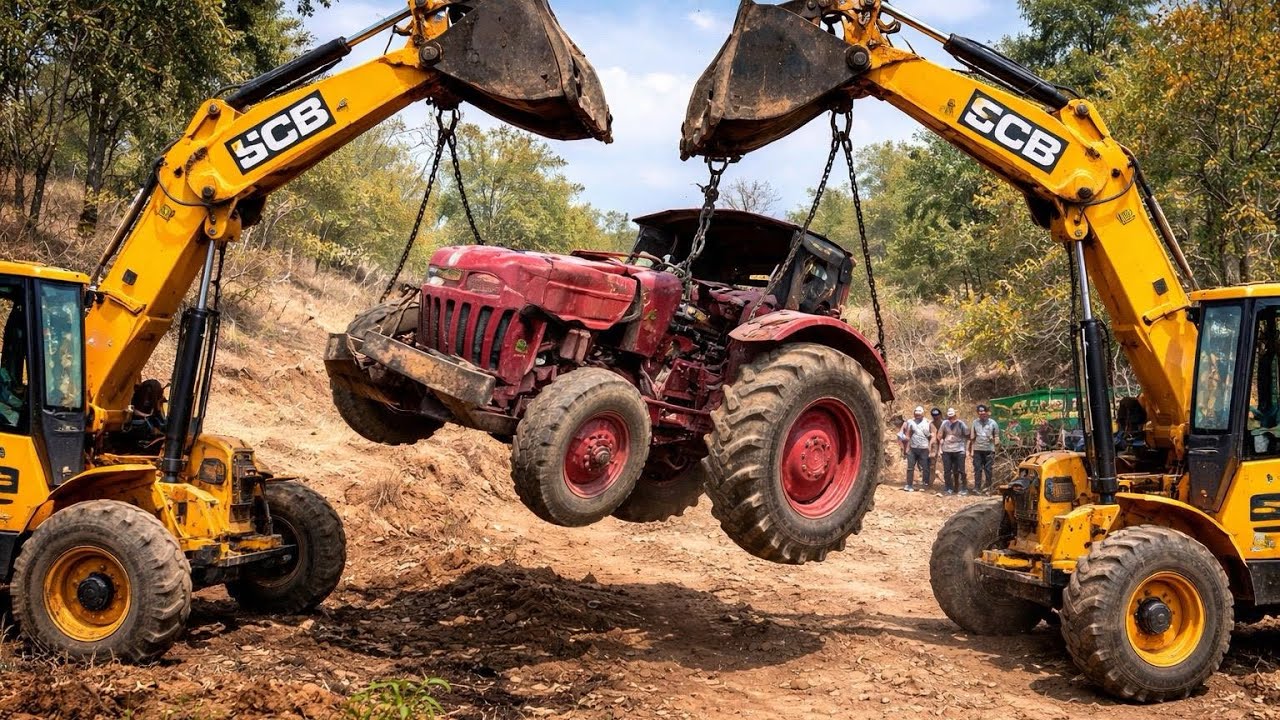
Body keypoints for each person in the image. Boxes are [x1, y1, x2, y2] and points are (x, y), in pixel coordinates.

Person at [900, 406, 932, 492]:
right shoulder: (911, 422)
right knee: (910, 467)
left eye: (919, 414)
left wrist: (930, 448)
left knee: (925, 467)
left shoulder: (928, 422)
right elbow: (908, 435)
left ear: (922, 414)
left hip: (924, 448)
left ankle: (925, 484)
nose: (917, 416)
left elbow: (931, 437)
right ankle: (909, 484)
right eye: (916, 414)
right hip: (913, 448)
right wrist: (906, 448)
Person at [969, 404, 1000, 493]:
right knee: (977, 469)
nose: (982, 414)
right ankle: (977, 488)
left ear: (987, 412)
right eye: (980, 412)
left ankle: (988, 488)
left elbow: (997, 437)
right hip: (977, 449)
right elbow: (972, 438)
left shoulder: (993, 423)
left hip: (989, 449)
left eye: (983, 412)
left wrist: (993, 440)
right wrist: (971, 450)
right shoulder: (975, 423)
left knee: (988, 469)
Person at [940, 408, 969, 495]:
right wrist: (941, 440)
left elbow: (967, 434)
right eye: (949, 416)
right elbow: (940, 434)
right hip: (947, 449)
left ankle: (963, 487)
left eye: (952, 416)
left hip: (959, 449)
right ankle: (948, 487)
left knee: (960, 469)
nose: (951, 418)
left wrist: (966, 448)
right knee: (947, 470)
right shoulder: (944, 423)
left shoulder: (961, 423)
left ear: (955, 415)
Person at [926, 407, 944, 488]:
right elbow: (930, 436)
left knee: (945, 465)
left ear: (940, 415)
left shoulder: (944, 423)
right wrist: (929, 447)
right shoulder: (931, 424)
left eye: (937, 415)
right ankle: (930, 482)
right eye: (933, 415)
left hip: (944, 446)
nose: (935, 416)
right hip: (934, 446)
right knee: (932, 464)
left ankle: (946, 482)